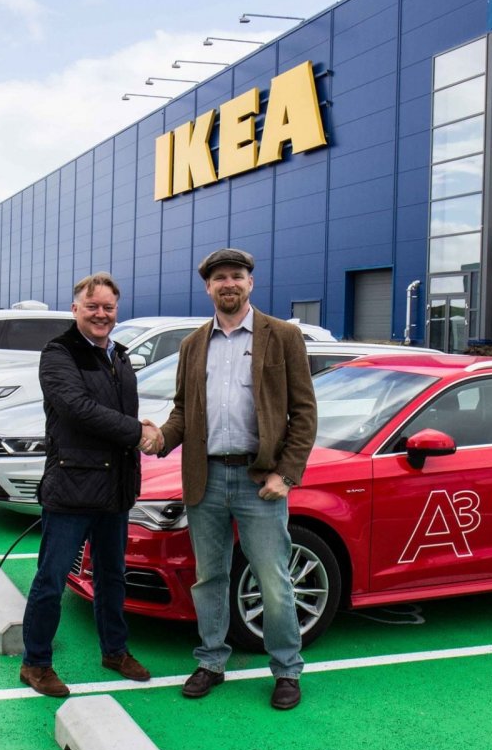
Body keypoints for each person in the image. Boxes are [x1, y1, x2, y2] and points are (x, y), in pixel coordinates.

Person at [152, 248, 318, 710]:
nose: (229, 283)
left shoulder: (282, 336)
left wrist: (286, 474)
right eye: (220, 277)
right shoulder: (193, 345)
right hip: (205, 477)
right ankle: (211, 661)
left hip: (259, 480)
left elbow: (304, 412)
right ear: (208, 287)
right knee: (209, 578)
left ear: (250, 283)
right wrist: (159, 439)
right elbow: (183, 412)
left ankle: (286, 669)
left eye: (237, 276)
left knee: (273, 579)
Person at [18, 272, 160, 697]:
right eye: (92, 306)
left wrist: (140, 429)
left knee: (112, 575)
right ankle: (35, 663)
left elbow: (115, 411)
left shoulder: (119, 355)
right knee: (52, 578)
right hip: (73, 486)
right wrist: (136, 431)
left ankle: (115, 650)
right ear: (75, 308)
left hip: (115, 488)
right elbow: (77, 408)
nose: (101, 314)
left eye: (109, 307)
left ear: (117, 310)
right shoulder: (59, 353)